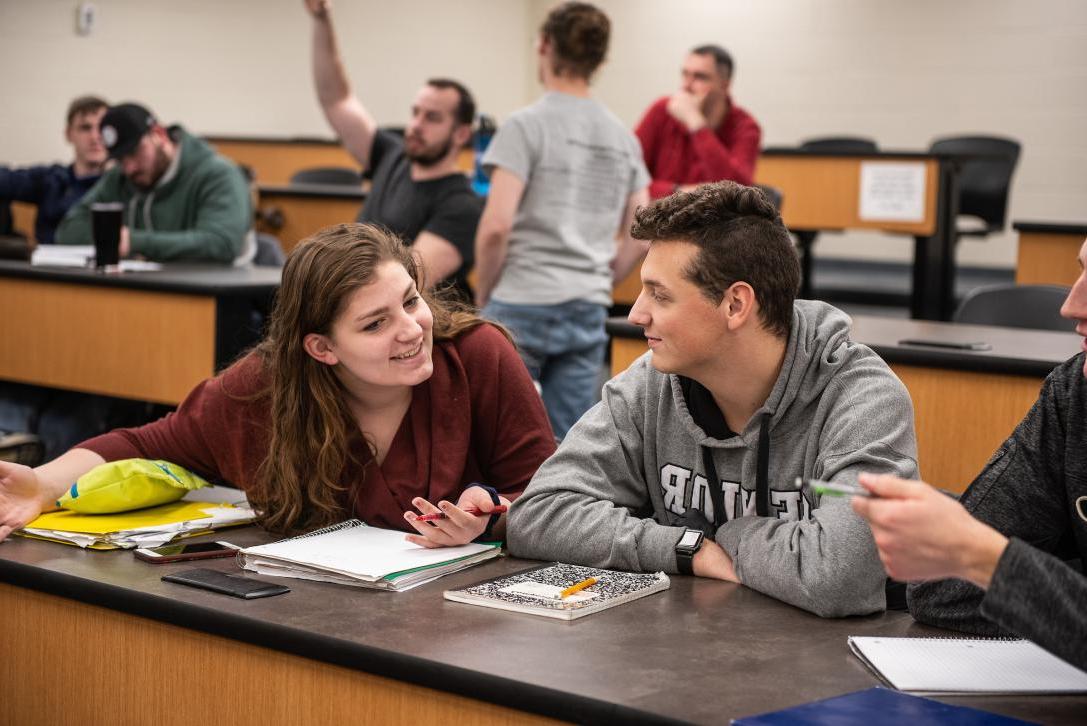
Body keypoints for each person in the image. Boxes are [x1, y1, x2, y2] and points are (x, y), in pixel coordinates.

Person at [0, 223, 556, 546]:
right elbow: (145, 443)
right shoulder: (265, 387)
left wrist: (491, 518)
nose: (412, 329)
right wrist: (43, 484)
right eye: (375, 323)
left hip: (458, 626)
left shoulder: (479, 356)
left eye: (410, 301)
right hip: (316, 615)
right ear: (321, 348)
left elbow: (548, 499)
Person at [508, 182, 918, 618]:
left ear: (735, 304)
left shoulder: (862, 398)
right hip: (687, 657)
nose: (635, 314)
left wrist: (732, 536)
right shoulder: (652, 382)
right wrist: (688, 547)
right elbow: (538, 514)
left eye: (660, 294)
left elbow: (841, 577)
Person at [852, 238, 1087, 670]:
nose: (1071, 306)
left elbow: (972, 562)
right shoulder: (1074, 396)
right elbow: (942, 590)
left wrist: (988, 560)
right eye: (1081, 270)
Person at [474, 1, 650, 439]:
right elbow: (644, 228)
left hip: (521, 299)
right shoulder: (622, 137)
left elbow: (496, 226)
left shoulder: (524, 126)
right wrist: (604, 276)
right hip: (586, 303)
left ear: (545, 45)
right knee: (567, 442)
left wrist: (482, 294)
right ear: (599, 61)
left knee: (495, 434)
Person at [304, 0, 481, 300]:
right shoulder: (392, 155)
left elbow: (406, 285)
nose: (416, 125)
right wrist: (322, 20)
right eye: (416, 113)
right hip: (358, 310)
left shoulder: (462, 206)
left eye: (432, 118)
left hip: (410, 334)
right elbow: (335, 99)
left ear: (461, 134)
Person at [56, 102, 253, 264]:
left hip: (210, 301)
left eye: (134, 153)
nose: (130, 168)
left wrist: (134, 242)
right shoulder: (120, 178)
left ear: (159, 134)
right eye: (121, 160)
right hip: (145, 297)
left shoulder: (218, 175)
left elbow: (221, 243)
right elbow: (68, 231)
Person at [635, 44, 761, 199]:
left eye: (700, 77)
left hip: (716, 221)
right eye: (685, 74)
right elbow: (627, 176)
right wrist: (680, 192)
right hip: (661, 217)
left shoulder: (746, 128)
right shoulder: (662, 110)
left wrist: (695, 122)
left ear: (724, 85)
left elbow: (738, 193)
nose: (686, 86)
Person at [0, 95, 108, 244]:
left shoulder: (124, 186)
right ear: (69, 134)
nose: (95, 137)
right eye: (85, 128)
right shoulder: (52, 179)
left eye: (102, 128)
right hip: (46, 265)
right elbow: (6, 180)